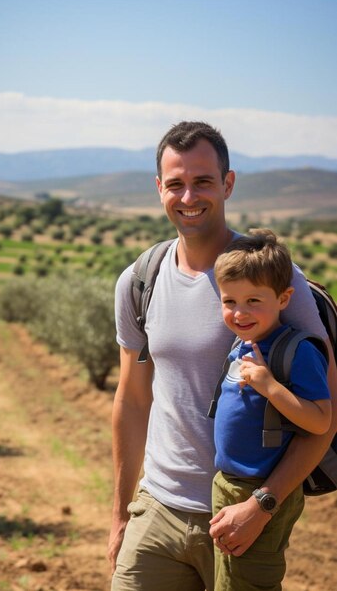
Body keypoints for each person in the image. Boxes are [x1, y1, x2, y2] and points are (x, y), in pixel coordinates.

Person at [108, 121, 337, 591]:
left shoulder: (273, 277)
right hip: (157, 510)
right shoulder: (139, 280)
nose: (188, 196)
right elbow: (132, 400)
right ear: (159, 189)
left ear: (228, 184)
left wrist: (262, 506)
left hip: (242, 517)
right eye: (176, 184)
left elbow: (326, 415)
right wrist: (119, 517)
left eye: (203, 181)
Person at [211, 229, 331, 591]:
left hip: (258, 489)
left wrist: (270, 387)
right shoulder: (245, 342)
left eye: (253, 301)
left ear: (284, 298)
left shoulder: (297, 350)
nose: (239, 312)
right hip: (229, 485)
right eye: (229, 301)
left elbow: (321, 420)